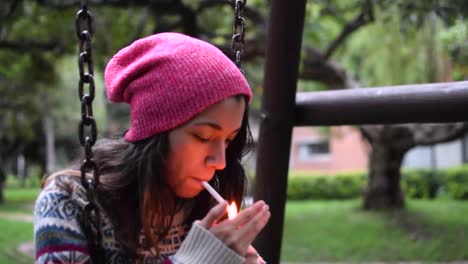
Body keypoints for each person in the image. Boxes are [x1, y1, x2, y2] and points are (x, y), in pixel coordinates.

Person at [34, 32, 270, 264]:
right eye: (203, 136)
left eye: (228, 140)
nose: (220, 161)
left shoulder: (206, 209)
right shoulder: (68, 201)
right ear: (154, 132)